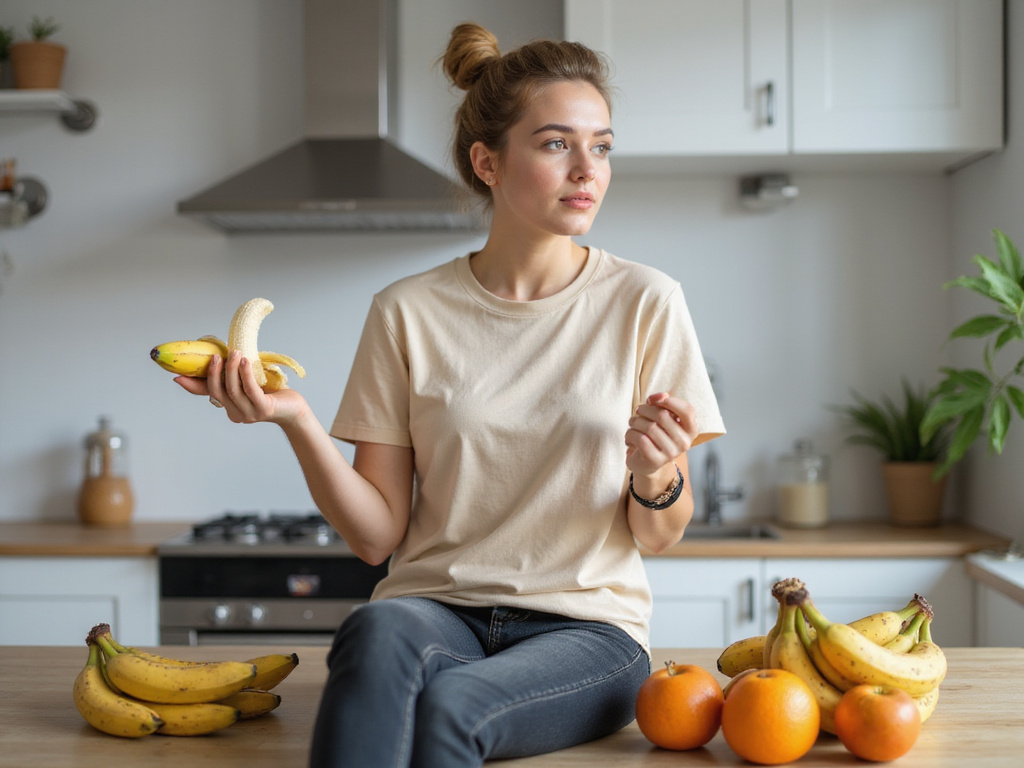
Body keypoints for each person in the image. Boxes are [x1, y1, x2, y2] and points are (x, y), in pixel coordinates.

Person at [175, 22, 724, 768]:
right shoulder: (406, 311)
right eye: (557, 143)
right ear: (487, 162)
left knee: (454, 704)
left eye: (601, 146)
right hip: (433, 612)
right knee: (372, 630)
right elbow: (376, 537)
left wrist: (657, 478)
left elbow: (659, 533)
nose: (586, 169)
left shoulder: (646, 302)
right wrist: (296, 420)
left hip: (587, 632)